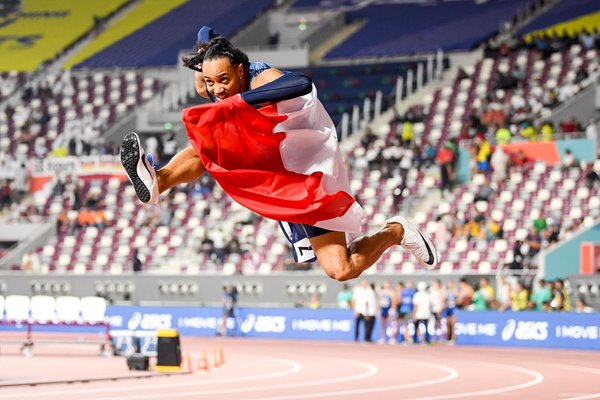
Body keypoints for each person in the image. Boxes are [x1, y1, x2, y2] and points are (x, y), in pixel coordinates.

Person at [120, 29, 438, 282]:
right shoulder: (216, 81)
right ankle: (158, 181)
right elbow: (205, 33)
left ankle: (396, 230)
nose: (216, 90)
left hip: (309, 171)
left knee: (340, 270)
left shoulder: (264, 78)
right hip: (273, 163)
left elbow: (301, 83)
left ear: (241, 71)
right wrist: (206, 49)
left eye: (223, 81)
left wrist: (241, 103)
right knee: (213, 143)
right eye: (209, 81)